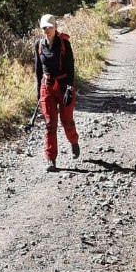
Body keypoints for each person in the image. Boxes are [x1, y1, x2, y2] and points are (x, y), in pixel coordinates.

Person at [34, 13, 80, 172]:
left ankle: (74, 142)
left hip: (63, 86)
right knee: (49, 124)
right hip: (46, 87)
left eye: (49, 27)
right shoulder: (39, 45)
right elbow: (38, 71)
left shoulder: (64, 44)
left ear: (55, 27)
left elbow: (71, 69)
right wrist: (38, 94)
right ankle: (51, 159)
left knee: (66, 121)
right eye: (44, 27)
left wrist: (69, 88)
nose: (47, 30)